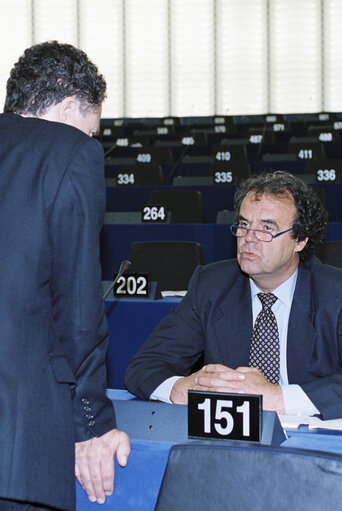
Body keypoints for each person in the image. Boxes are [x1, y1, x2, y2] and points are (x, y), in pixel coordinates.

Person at [0, 41, 130, 511]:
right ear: (70, 105)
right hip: (20, 449)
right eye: (90, 130)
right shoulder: (70, 152)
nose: (89, 142)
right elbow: (77, 313)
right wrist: (91, 426)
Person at [124, 171, 342, 420]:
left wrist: (277, 397)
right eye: (244, 225)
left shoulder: (334, 293)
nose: (249, 238)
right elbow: (143, 366)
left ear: (300, 240)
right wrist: (178, 389)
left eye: (266, 229)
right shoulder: (211, 285)